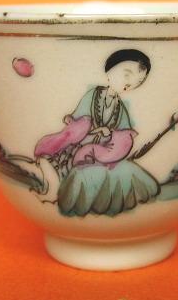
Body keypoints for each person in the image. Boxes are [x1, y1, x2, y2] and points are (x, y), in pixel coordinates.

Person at [34, 49, 161, 217]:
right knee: (60, 162)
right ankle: (55, 188)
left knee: (120, 168)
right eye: (126, 75)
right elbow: (79, 122)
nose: (127, 84)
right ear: (110, 69)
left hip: (102, 150)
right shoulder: (92, 95)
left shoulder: (120, 107)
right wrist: (92, 129)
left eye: (135, 83)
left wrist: (110, 134)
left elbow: (123, 133)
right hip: (81, 142)